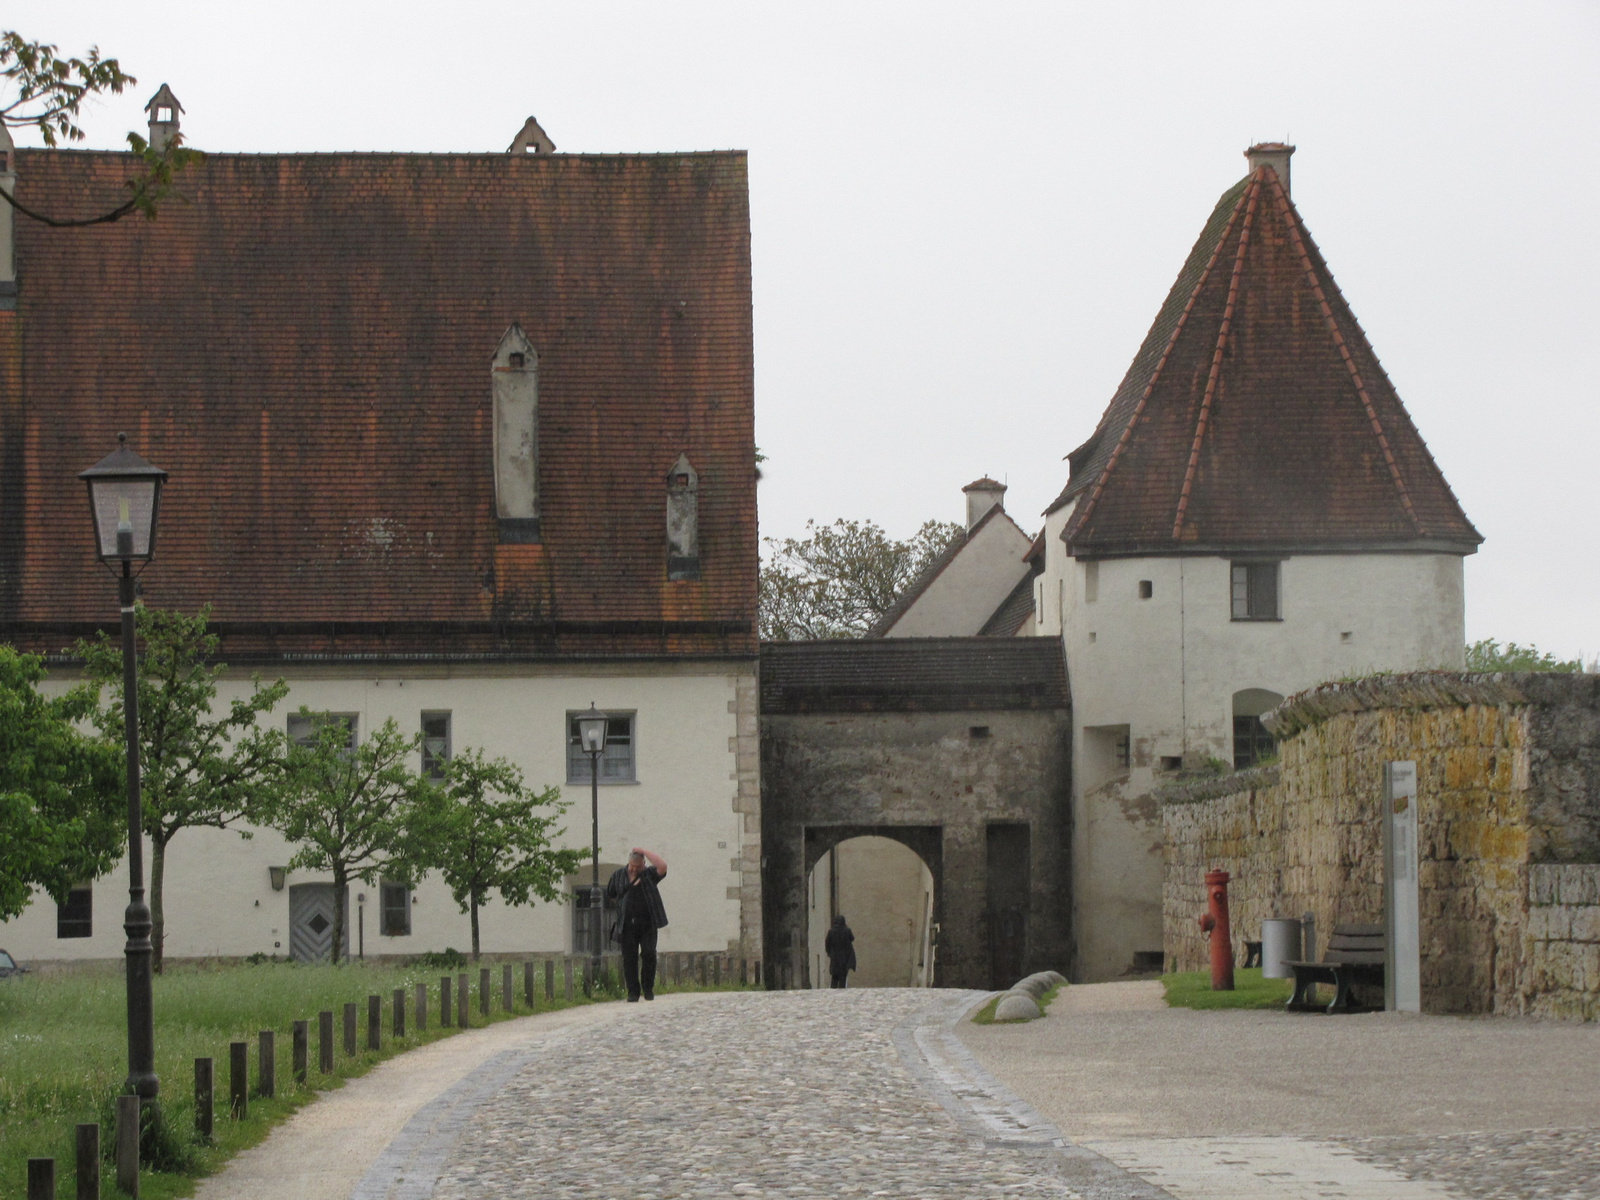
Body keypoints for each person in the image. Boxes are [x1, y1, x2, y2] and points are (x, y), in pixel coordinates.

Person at [606, 847, 668, 1001]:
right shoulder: (618, 875)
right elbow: (611, 894)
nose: (634, 870)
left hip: (648, 923)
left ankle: (648, 989)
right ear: (628, 863)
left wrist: (645, 851)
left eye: (638, 867)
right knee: (629, 958)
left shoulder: (649, 874)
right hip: (627, 924)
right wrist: (623, 907)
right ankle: (633, 992)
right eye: (632, 866)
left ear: (643, 864)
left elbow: (663, 866)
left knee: (649, 954)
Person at [824, 914, 856, 988]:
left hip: (834, 957)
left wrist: (829, 953)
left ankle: (833, 991)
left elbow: (827, 943)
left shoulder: (831, 931)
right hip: (845, 957)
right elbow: (852, 938)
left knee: (834, 977)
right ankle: (841, 991)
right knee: (843, 977)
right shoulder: (847, 930)